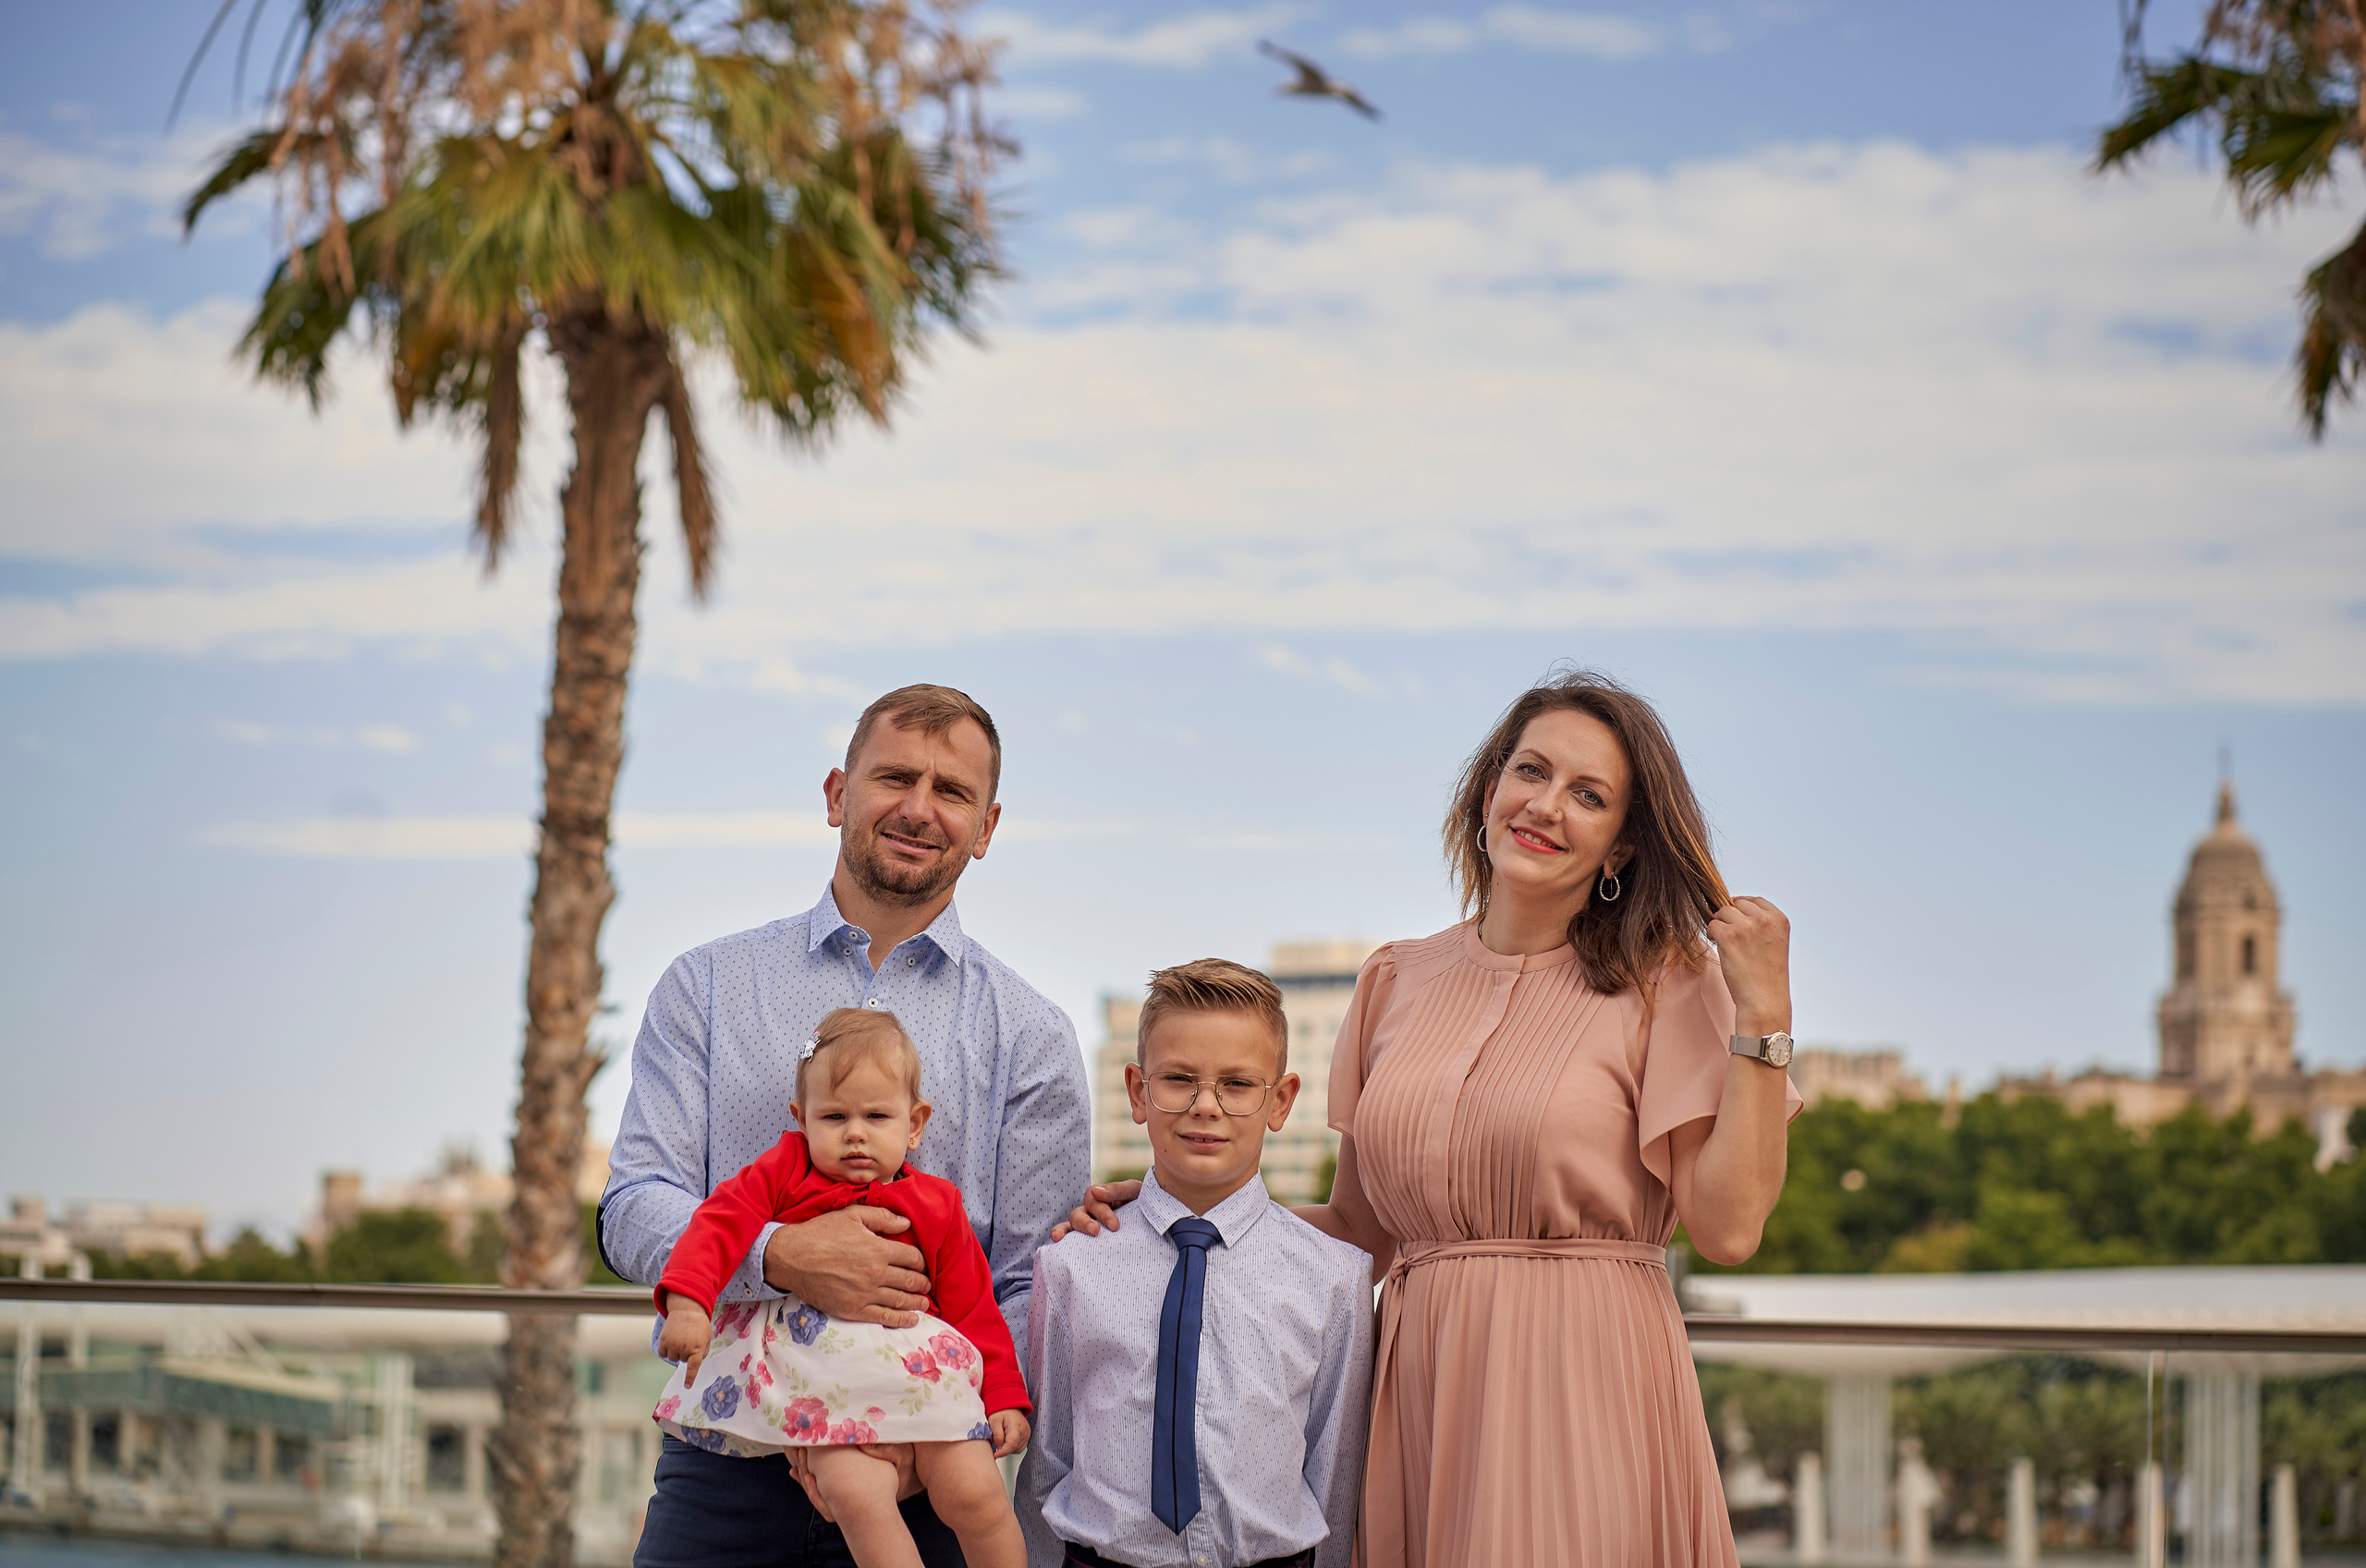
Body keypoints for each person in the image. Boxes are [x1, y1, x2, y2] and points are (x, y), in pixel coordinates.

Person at [1065, 670, 1799, 1567]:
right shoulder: (1393, 979)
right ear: (1488, 787)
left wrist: (1762, 1015)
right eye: (1530, 771)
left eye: (1589, 795)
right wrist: (1158, 1223)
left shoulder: (1670, 981)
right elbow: (1358, 1234)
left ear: (1619, 848)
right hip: (1424, 1389)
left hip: (1587, 1380)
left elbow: (1726, 1228)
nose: (1545, 805)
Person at [604, 684, 1092, 1568]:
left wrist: (916, 1432)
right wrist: (777, 1254)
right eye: (895, 777)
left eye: (952, 791)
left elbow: (1031, 1280)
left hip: (931, 1473)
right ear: (837, 794)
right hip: (726, 1472)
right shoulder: (705, 988)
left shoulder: (1033, 1036)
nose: (919, 807)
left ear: (985, 829)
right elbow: (633, 1205)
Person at [1018, 959, 1372, 1568]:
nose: (1206, 1104)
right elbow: (1049, 1458)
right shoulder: (1071, 1264)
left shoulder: (1335, 1275)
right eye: (1179, 1078)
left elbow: (1334, 1474)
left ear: (1281, 1100)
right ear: (1137, 1091)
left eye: (1237, 1084)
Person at [652, 1008, 1030, 1568]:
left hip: (921, 1379)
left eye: (877, 1115)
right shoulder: (782, 1172)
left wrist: (1003, 1395)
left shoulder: (937, 1204)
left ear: (915, 1123)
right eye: (833, 1116)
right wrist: (688, 1305)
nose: (855, 1132)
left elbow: (975, 1307)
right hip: (818, 1387)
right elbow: (716, 1226)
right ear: (801, 1119)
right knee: (857, 1497)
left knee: (976, 1492)